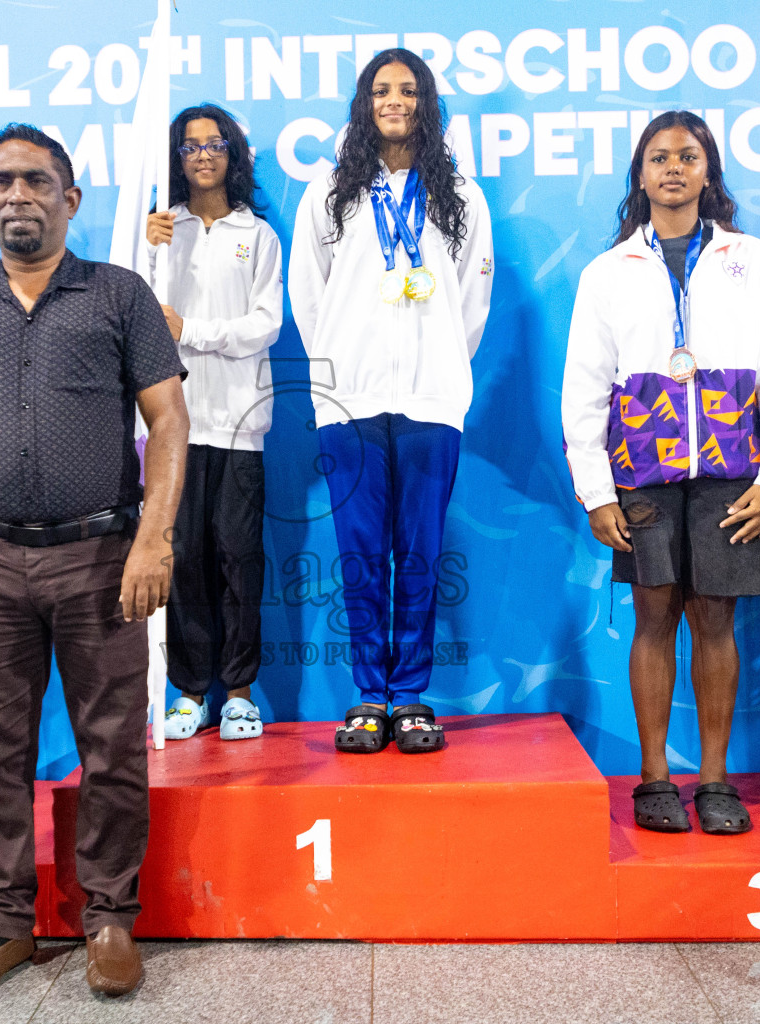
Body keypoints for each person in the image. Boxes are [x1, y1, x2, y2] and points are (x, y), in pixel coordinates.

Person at [0, 124, 188, 1002]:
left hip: (100, 558)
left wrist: (154, 538)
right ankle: (1, 925)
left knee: (111, 752)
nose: (16, 195)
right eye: (1, 183)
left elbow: (168, 425)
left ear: (70, 198)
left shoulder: (119, 296)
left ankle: (108, 920)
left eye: (35, 180)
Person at [561, 111, 760, 835]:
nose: (673, 167)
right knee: (655, 617)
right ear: (640, 173)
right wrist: (598, 490)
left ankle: (717, 779)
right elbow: (583, 391)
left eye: (688, 156)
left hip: (732, 473)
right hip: (644, 475)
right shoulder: (608, 272)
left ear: (708, 171)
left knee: (715, 622)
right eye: (659, 157)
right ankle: (655, 777)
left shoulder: (750, 260)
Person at [289, 49, 493, 755]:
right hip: (349, 400)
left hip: (432, 399)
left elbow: (472, 298)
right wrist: (342, 367)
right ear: (364, 102)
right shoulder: (330, 191)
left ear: (426, 102)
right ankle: (368, 697)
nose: (395, 100)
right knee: (359, 554)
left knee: (421, 553)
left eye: (408, 89)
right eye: (382, 89)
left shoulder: (459, 195)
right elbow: (307, 295)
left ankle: (410, 697)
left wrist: (438, 366)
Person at [143, 104, 282, 743]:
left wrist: (192, 332)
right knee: (185, 561)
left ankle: (241, 694)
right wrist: (148, 252)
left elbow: (265, 325)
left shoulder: (257, 235)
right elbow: (139, 318)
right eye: (191, 145)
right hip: (174, 429)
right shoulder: (160, 232)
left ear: (233, 155)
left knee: (240, 558)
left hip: (240, 424)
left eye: (215, 143)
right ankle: (190, 691)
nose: (203, 154)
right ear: (176, 157)